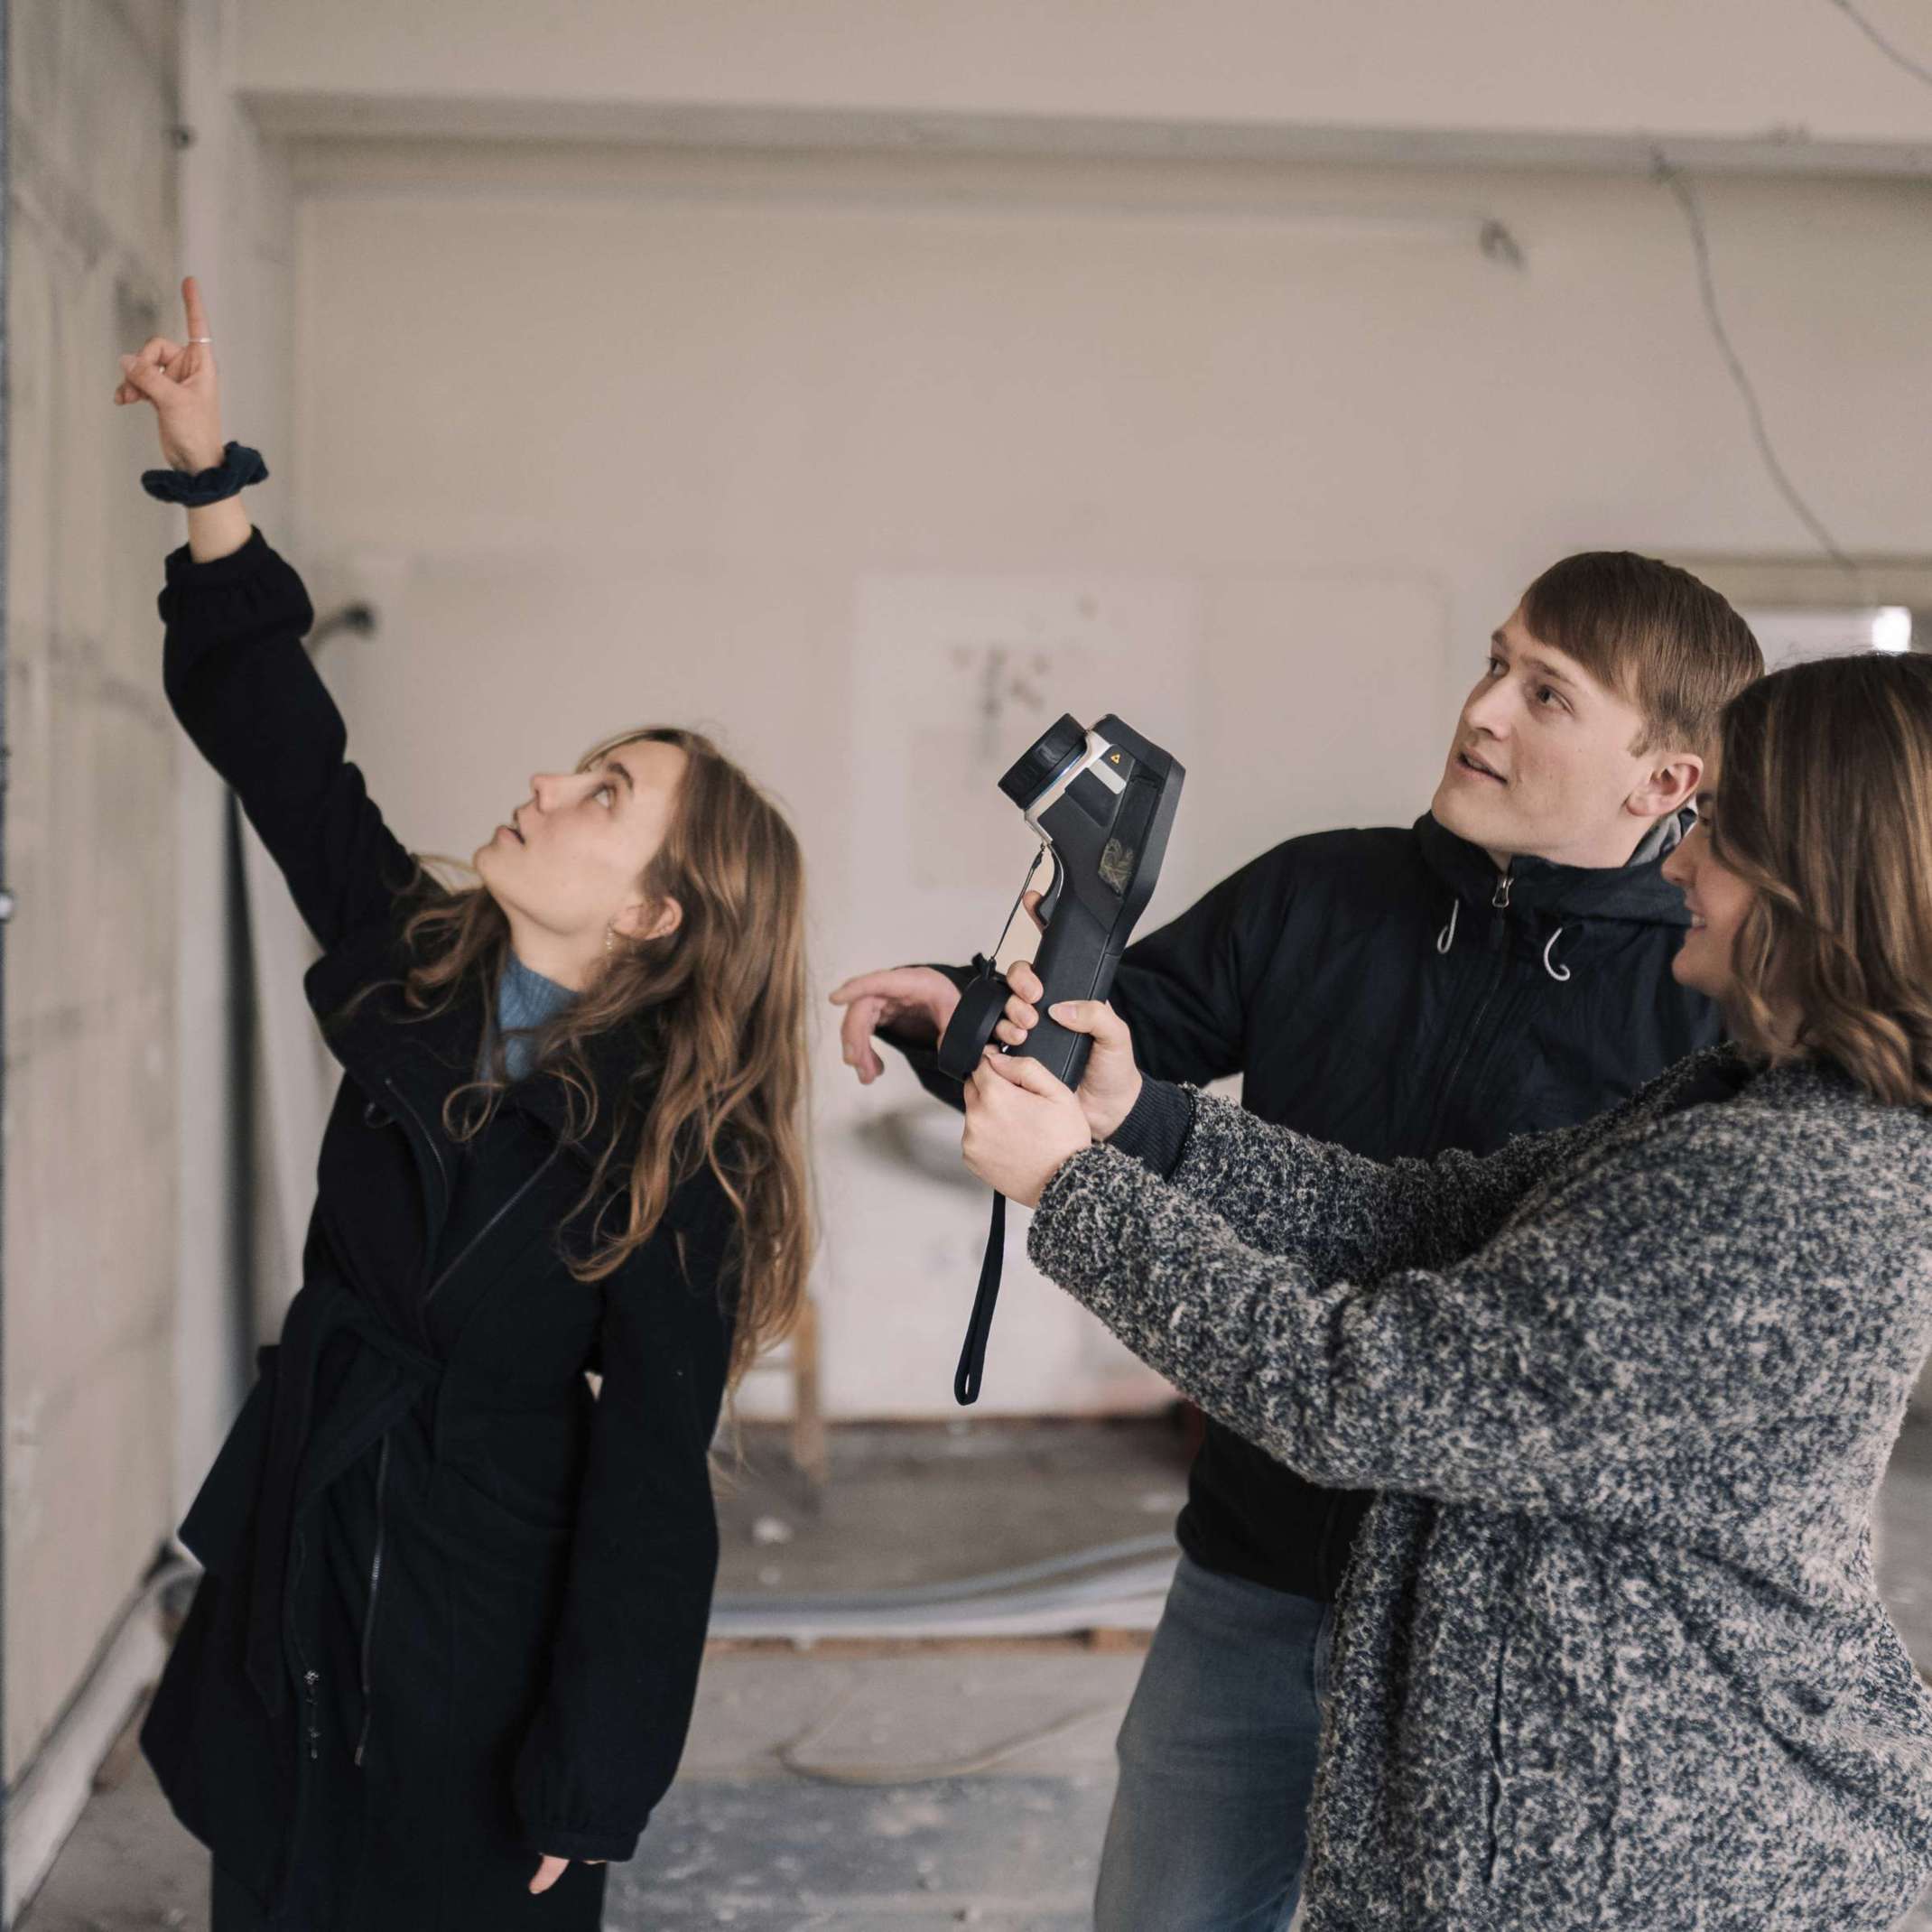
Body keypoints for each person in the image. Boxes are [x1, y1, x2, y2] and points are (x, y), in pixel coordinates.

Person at [832, 553, 1761, 1926]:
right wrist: (961, 1017)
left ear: (1664, 781)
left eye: (1548, 694)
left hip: (1499, 1634)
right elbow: (1113, 1051)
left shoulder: (1704, 1014)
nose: (1487, 708)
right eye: (1496, 661)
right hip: (1256, 1568)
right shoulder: (1321, 894)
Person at [961, 646, 1932, 1930]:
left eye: (1724, 831)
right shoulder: (1747, 1107)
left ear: (1825, 879)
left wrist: (1075, 1197)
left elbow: (1362, 1391)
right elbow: (1420, 1219)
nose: (1682, 860)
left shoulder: (1783, 1182)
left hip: (1639, 1841)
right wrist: (1147, 1126)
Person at [117, 279, 814, 1929]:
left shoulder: (677, 1156)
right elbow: (284, 751)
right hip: (308, 1556)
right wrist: (212, 478)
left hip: (475, 1642)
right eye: (576, 765)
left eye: (602, 799)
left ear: (657, 914)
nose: (543, 789)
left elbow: (653, 1497)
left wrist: (592, 1777)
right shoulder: (419, 964)